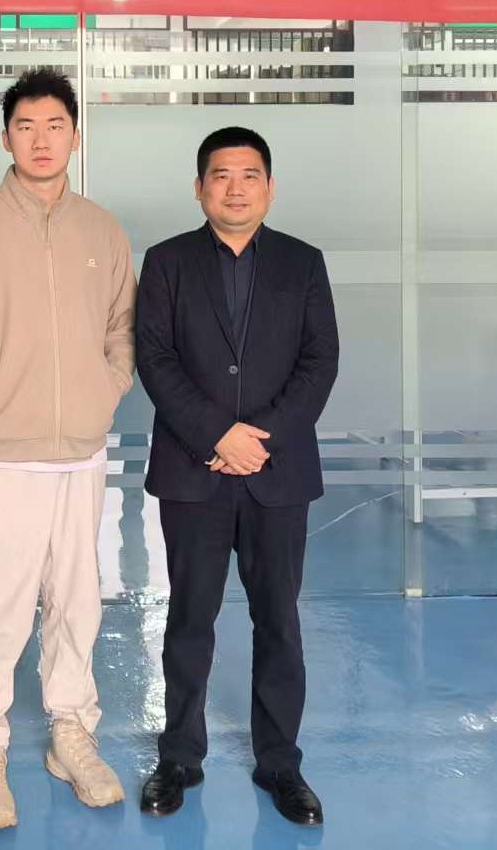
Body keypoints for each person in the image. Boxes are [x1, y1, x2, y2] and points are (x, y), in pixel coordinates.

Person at [0, 67, 137, 829]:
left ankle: (70, 732)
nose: (40, 140)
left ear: (75, 135)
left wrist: (103, 390)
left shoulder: (102, 230)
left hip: (81, 451)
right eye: (25, 126)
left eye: (54, 126)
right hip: (0, 454)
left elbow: (120, 330)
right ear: (5, 137)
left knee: (78, 601)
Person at [134, 127, 339, 827]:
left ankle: (280, 761)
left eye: (249, 175)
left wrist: (259, 440)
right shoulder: (166, 262)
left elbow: (319, 362)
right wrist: (216, 434)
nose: (235, 187)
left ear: (269, 188)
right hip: (193, 471)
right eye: (220, 175)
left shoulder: (303, 263)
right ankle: (179, 757)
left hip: (277, 474)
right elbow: (155, 357)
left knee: (277, 620)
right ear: (199, 188)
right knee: (189, 618)